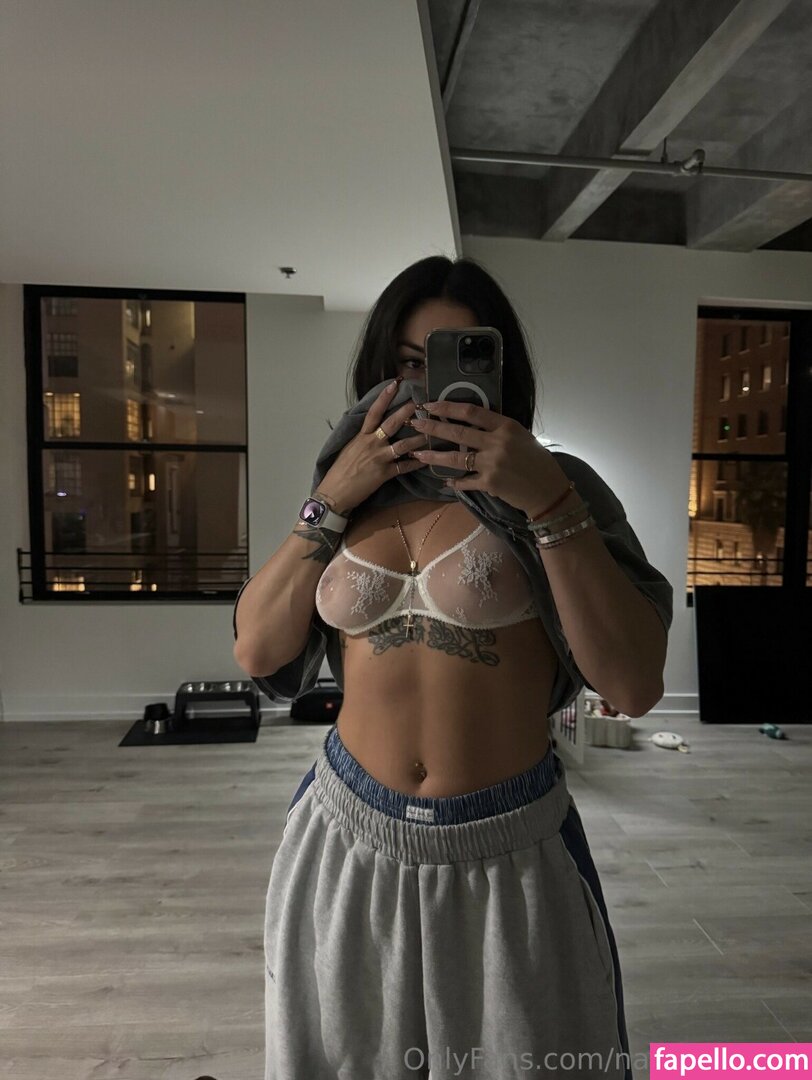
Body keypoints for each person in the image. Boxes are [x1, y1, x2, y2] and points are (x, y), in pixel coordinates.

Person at [233, 256, 671, 1080]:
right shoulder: (349, 488)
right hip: (345, 832)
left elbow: (634, 684)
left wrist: (548, 502)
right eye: (411, 362)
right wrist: (331, 498)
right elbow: (257, 648)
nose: (433, 388)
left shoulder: (559, 484)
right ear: (381, 371)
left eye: (462, 357)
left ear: (502, 370)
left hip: (509, 850)